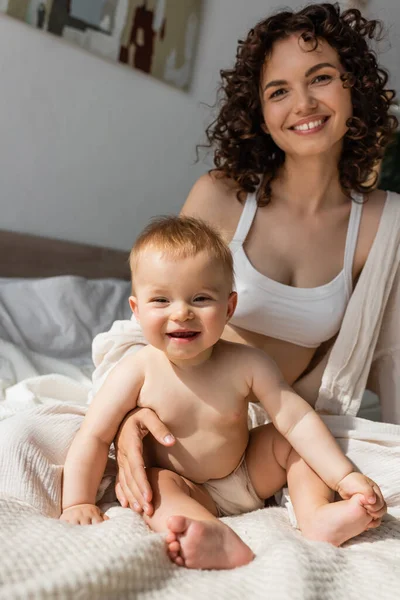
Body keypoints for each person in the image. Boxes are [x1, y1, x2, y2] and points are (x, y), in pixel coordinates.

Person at [90, 3, 400, 517]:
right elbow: (148, 319)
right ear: (259, 111)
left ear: (354, 86)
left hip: (281, 429)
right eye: (278, 90)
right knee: (27, 440)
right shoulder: (222, 197)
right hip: (177, 419)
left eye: (320, 78)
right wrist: (127, 419)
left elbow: (391, 356)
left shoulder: (383, 223)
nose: (302, 103)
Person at [61, 216, 386, 570]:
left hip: (248, 471)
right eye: (161, 300)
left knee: (287, 438)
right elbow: (93, 436)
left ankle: (317, 515)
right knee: (156, 485)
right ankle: (211, 534)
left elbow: (296, 417)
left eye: (200, 298)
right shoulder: (138, 370)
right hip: (188, 485)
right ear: (137, 311)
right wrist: (77, 502)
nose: (181, 312)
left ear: (229, 308)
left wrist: (344, 476)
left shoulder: (248, 363)